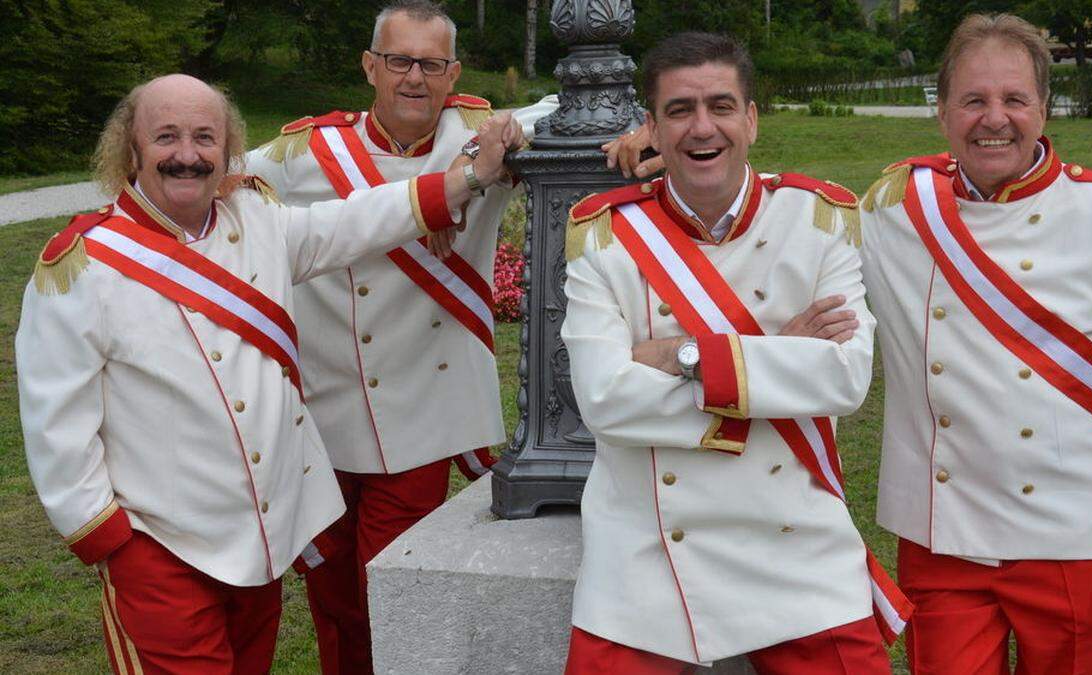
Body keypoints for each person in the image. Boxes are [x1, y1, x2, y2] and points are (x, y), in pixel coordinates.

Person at [15, 73, 513, 674]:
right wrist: (118, 549)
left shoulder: (256, 219)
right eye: (166, 137)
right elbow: (57, 433)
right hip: (160, 550)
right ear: (131, 150)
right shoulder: (82, 267)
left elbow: (356, 221)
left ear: (226, 151)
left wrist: (470, 175)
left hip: (262, 544)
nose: (187, 155)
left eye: (205, 137)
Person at [560, 32, 909, 674]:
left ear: (750, 119)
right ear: (654, 130)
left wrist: (678, 355)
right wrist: (776, 356)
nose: (702, 127)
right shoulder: (605, 236)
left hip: (793, 545)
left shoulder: (819, 220)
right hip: (647, 552)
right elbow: (604, 401)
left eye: (721, 106)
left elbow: (844, 377)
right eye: (680, 110)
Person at [858, 14, 1092, 674]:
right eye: (974, 100)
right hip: (944, 534)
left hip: (1074, 536)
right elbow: (775, 226)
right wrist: (663, 150)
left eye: (1014, 100)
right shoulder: (892, 210)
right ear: (942, 110)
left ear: (1044, 107)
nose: (994, 119)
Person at [244, 2, 554, 671]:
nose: (415, 77)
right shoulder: (305, 152)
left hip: (419, 411)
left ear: (453, 73)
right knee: (332, 596)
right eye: (399, 61)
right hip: (323, 412)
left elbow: (570, 109)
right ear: (370, 67)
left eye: (432, 64)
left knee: (391, 587)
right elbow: (216, 181)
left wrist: (476, 158)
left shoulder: (475, 135)